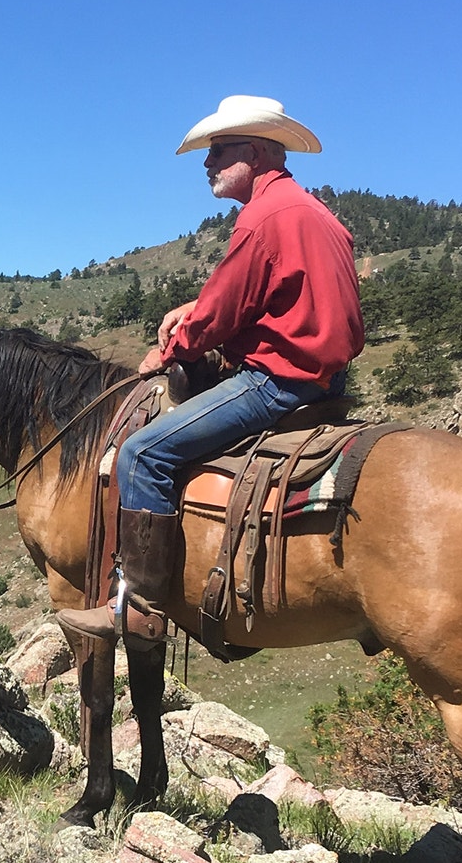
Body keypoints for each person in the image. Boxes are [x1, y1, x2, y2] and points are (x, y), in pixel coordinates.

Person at [57, 95, 365, 647]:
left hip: (276, 382)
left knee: (141, 454)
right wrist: (195, 309)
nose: (208, 162)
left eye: (219, 150)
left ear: (257, 151)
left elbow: (221, 314)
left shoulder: (262, 219)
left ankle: (140, 607)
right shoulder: (316, 214)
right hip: (328, 380)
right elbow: (270, 296)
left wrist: (169, 351)